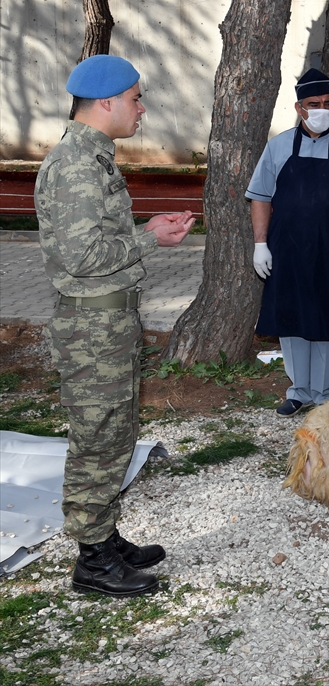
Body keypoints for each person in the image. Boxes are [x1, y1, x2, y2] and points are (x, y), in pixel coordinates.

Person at [36, 54, 195, 597]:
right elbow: (82, 256)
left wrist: (152, 234)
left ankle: (103, 536)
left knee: (115, 431)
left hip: (109, 322)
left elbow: (101, 246)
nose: (141, 108)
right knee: (97, 437)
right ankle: (92, 562)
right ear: (105, 102)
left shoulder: (95, 158)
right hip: (91, 328)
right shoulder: (75, 165)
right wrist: (150, 236)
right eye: (134, 98)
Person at [246, 68, 329, 416]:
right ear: (299, 107)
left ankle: (326, 393)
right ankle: (299, 391)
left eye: (328, 103)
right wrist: (261, 244)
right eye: (314, 103)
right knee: (291, 319)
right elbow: (260, 197)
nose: (322, 109)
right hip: (287, 250)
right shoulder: (277, 147)